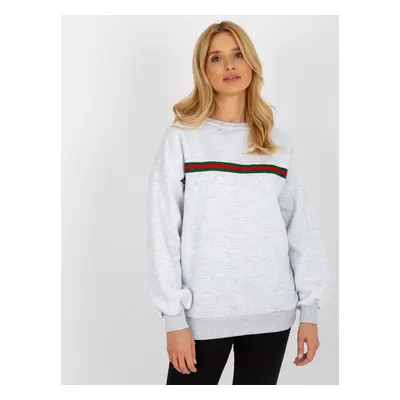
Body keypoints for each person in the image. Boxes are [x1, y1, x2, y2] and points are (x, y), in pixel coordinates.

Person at [146, 20, 331, 385]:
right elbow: (162, 230)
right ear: (204, 70)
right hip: (202, 315)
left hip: (272, 312)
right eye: (216, 58)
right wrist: (174, 319)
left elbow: (302, 228)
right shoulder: (182, 139)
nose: (229, 65)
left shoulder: (277, 144)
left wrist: (310, 310)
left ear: (252, 63)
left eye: (238, 54)